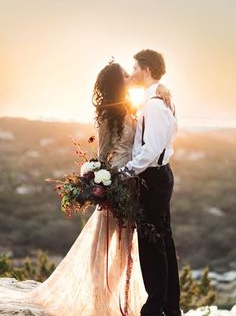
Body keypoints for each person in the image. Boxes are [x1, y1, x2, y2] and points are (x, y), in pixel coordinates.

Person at [0, 61, 173, 316]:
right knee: (105, 239)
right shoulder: (107, 114)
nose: (130, 76)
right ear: (116, 81)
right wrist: (103, 179)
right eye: (125, 74)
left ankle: (118, 297)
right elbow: (103, 152)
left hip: (135, 180)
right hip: (118, 180)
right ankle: (97, 295)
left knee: (126, 244)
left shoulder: (133, 106)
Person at [124, 49, 181, 316]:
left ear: (146, 68)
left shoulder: (155, 104)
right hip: (159, 175)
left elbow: (151, 149)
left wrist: (125, 171)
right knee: (163, 240)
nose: (132, 72)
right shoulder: (160, 99)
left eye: (134, 67)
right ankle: (170, 307)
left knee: (151, 242)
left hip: (153, 177)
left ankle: (155, 307)